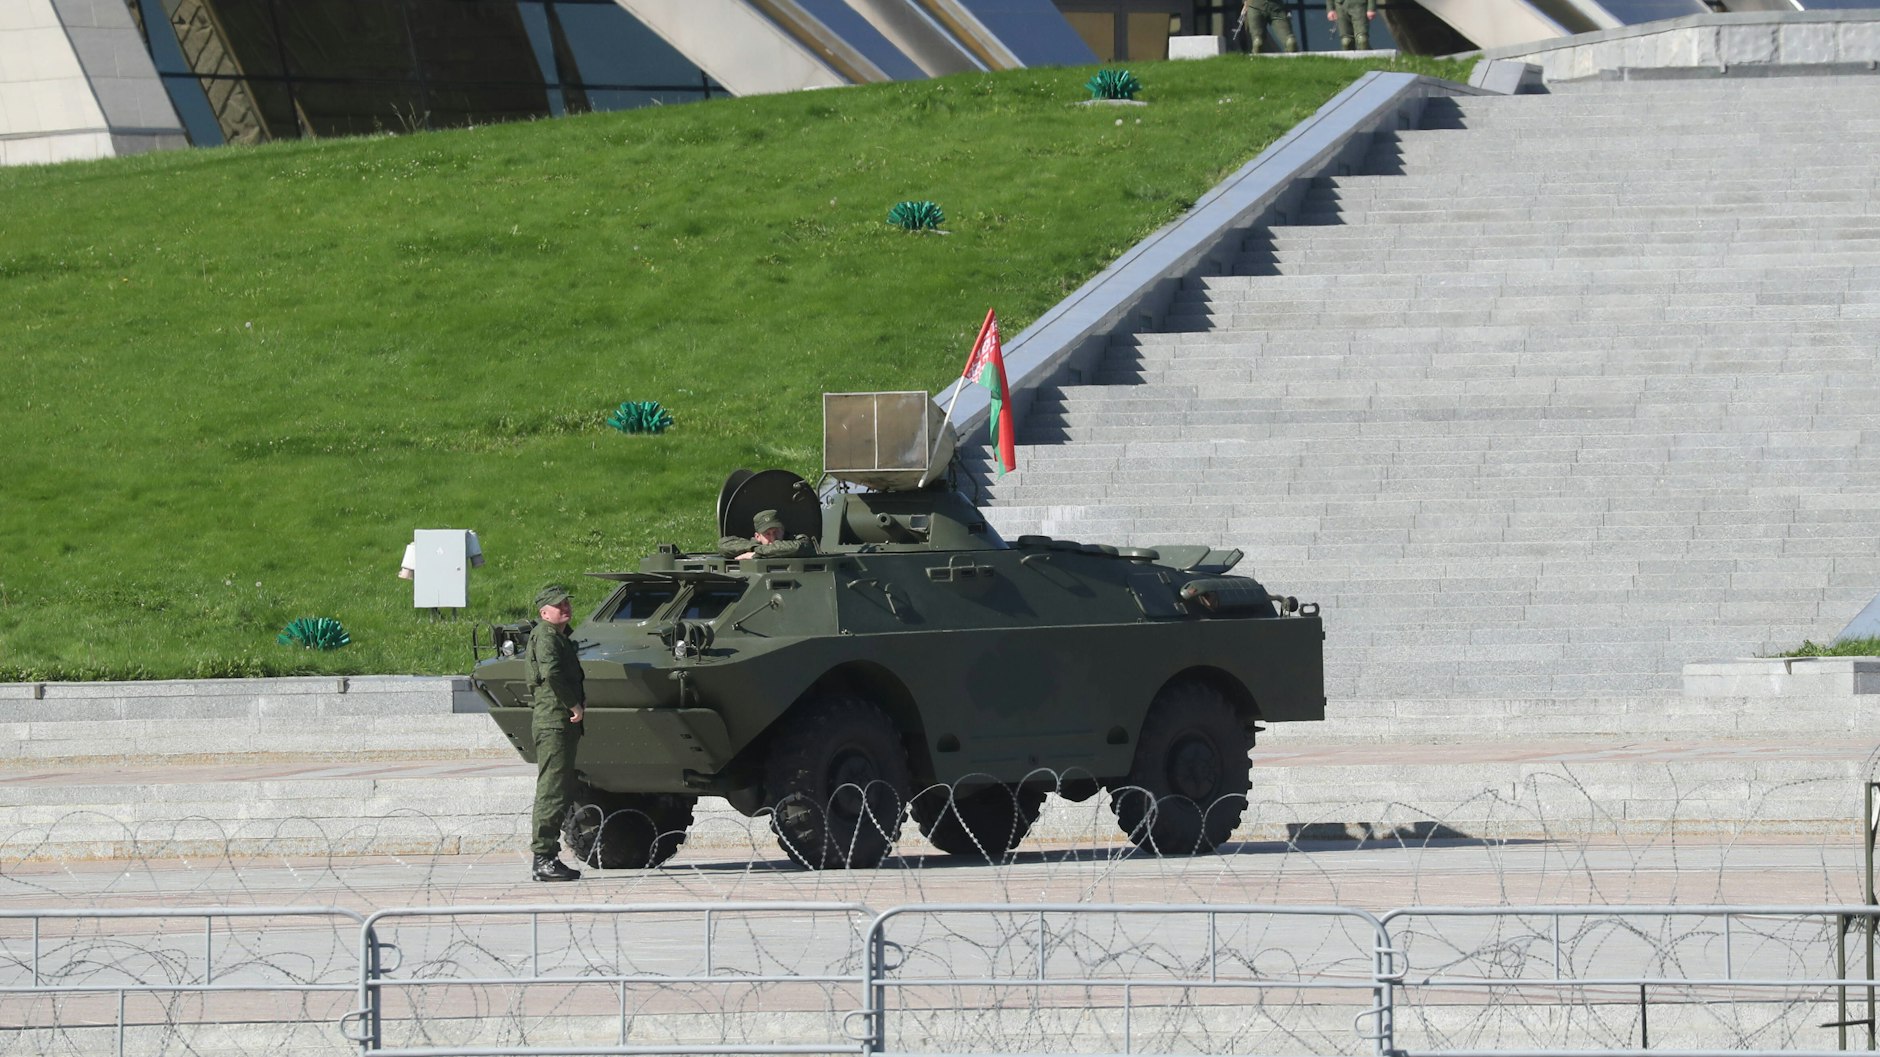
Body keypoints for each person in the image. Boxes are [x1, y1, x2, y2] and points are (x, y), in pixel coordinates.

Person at [526, 584, 585, 882]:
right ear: (543, 612)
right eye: (557, 605)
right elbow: (551, 673)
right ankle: (543, 857)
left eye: (566, 603)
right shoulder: (546, 637)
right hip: (554, 720)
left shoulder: (560, 636)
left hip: (558, 722)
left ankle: (547, 856)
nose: (564, 608)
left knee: (558, 788)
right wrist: (573, 704)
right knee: (552, 789)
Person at [718, 509, 816, 560]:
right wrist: (754, 548)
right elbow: (723, 545)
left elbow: (798, 548)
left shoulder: (798, 541)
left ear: (783, 530)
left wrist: (757, 554)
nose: (773, 537)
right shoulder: (753, 545)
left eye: (776, 531)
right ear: (757, 536)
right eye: (767, 534)